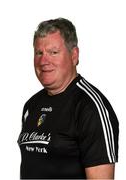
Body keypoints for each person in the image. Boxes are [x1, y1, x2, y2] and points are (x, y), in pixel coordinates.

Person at [18, 18, 119, 179]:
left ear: (74, 55)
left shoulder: (91, 108)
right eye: (39, 53)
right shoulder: (31, 106)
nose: (43, 61)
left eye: (53, 52)